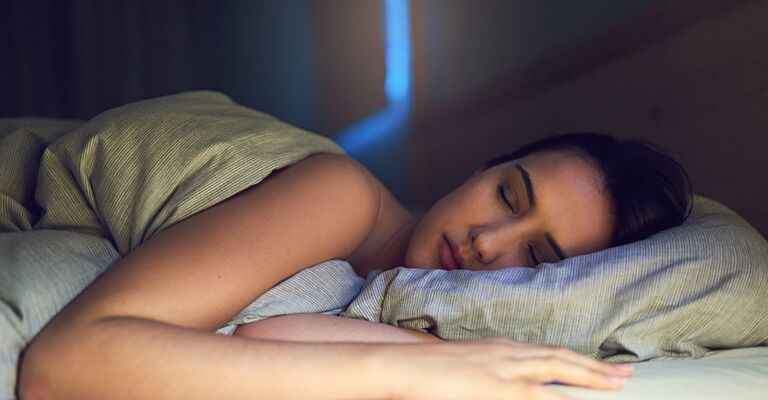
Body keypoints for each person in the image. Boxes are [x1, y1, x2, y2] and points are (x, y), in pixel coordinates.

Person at [18, 132, 691, 400]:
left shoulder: (398, 302)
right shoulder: (340, 195)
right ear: (481, 168)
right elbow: (63, 365)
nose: (490, 240)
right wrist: (399, 369)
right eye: (508, 196)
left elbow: (270, 339)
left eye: (537, 255)